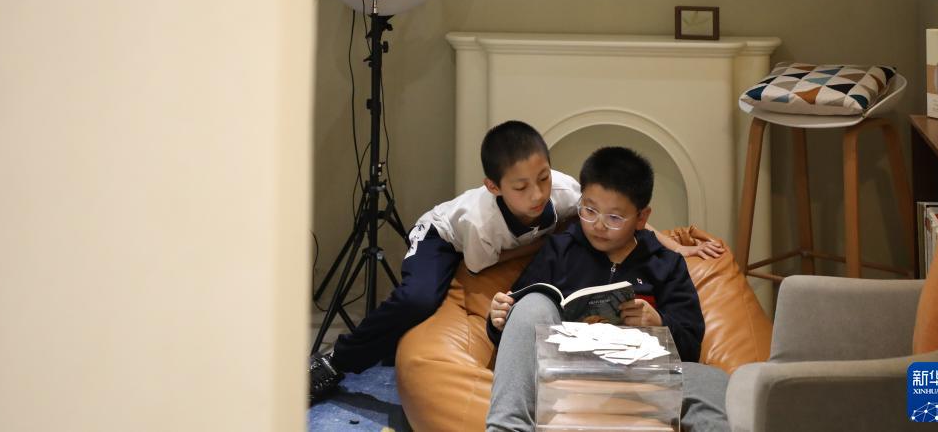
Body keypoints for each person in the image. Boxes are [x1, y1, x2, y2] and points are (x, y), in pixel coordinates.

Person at [309, 123, 720, 404]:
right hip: (446, 239)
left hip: (636, 369)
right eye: (521, 187)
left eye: (543, 178)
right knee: (418, 300)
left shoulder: (568, 194)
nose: (538, 194)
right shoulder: (482, 223)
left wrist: (674, 245)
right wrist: (548, 245)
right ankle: (336, 361)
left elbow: (622, 216)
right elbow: (480, 268)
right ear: (494, 187)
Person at [485, 146, 731, 432]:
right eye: (589, 210)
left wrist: (659, 322)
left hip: (640, 376)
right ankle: (506, 427)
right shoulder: (560, 250)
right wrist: (499, 319)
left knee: (713, 380)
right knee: (532, 302)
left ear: (642, 218)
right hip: (565, 373)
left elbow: (690, 344)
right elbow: (520, 326)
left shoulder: (666, 265)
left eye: (614, 218)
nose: (598, 225)